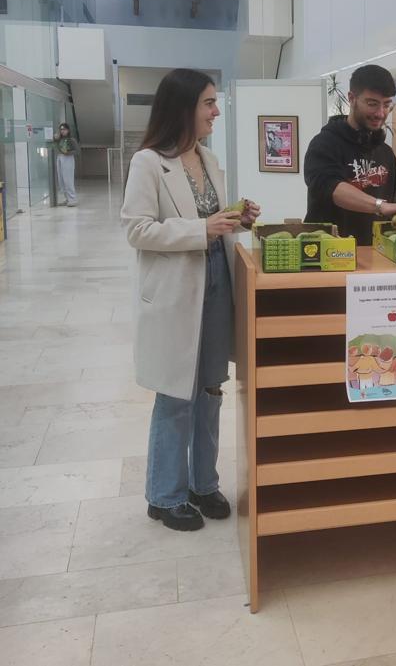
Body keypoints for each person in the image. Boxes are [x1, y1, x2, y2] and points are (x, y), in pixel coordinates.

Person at [121, 69, 260, 532]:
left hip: (218, 284)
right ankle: (164, 495)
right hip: (177, 294)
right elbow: (137, 229)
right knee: (176, 393)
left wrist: (237, 219)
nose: (215, 111)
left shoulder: (209, 160)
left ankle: (204, 483)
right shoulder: (148, 162)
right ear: (183, 108)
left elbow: (212, 221)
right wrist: (202, 228)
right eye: (208, 103)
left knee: (211, 389)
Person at [304, 64, 396, 245]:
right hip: (327, 257)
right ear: (352, 98)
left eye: (387, 104)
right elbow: (333, 189)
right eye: (372, 104)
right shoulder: (324, 144)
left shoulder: (386, 153)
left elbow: (391, 203)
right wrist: (381, 206)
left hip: (376, 257)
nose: (381, 113)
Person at [54, 122, 80, 206]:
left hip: (68, 159)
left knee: (68, 179)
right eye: (61, 130)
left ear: (68, 130)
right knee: (61, 179)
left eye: (64, 129)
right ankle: (67, 198)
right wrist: (55, 138)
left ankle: (72, 199)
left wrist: (68, 153)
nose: (62, 131)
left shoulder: (71, 140)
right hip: (59, 157)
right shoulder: (59, 139)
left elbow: (77, 151)